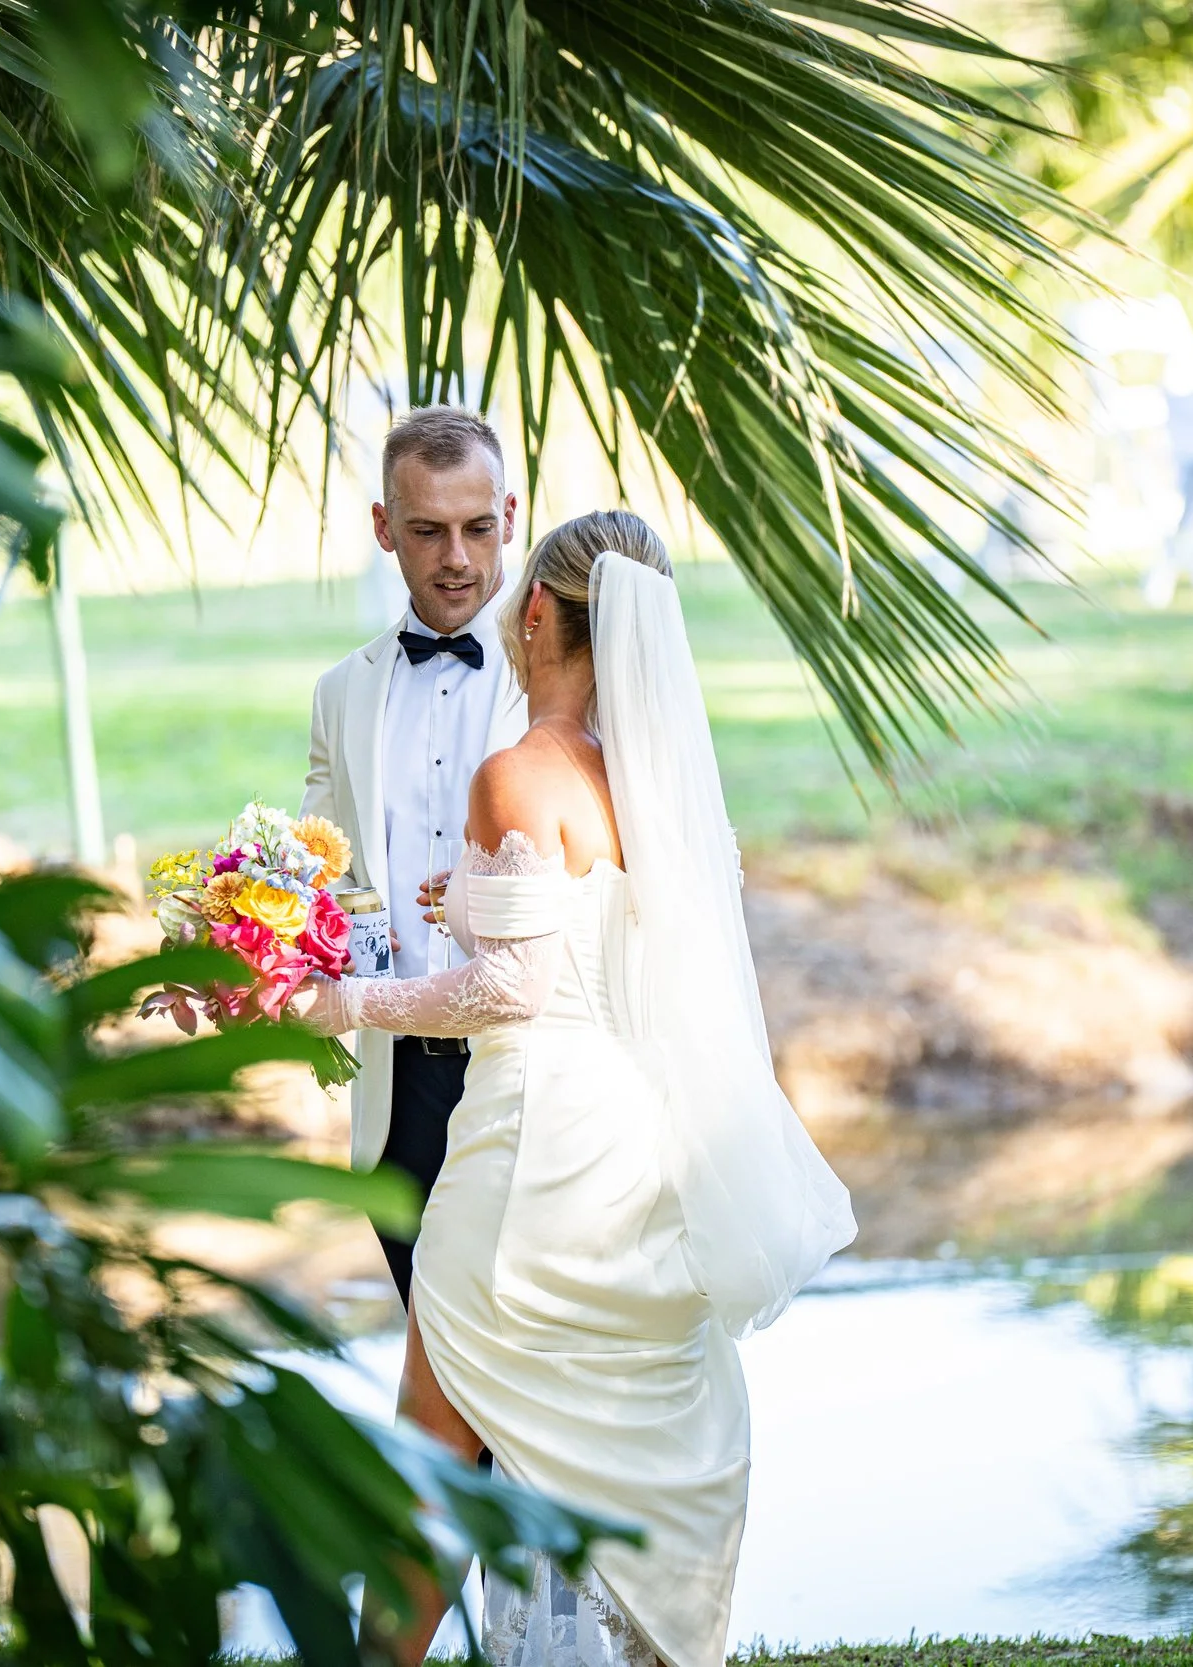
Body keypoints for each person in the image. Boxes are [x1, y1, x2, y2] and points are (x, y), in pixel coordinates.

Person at [294, 511, 857, 1667]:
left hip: (526, 1149)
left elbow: (510, 988)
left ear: (536, 611)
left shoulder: (514, 773)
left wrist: (344, 1004)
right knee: (566, 1444)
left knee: (432, 1456)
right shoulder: (653, 792)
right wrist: (479, 897)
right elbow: (613, 947)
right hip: (638, 1152)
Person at [301, 406, 528, 1304]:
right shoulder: (339, 696)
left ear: (510, 516)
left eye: (478, 528)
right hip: (397, 1093)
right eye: (427, 531)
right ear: (384, 528)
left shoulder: (565, 678)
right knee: (436, 1370)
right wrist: (237, 955)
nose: (458, 559)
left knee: (518, 1382)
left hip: (526, 1083)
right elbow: (323, 885)